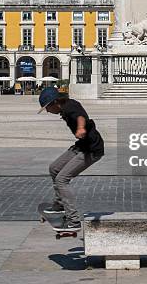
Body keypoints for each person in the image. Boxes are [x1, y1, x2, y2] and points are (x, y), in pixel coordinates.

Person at [39, 87, 104, 232]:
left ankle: (73, 221)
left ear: (55, 102)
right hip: (81, 146)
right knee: (54, 168)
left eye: (48, 108)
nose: (48, 111)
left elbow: (81, 117)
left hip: (92, 150)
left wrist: (81, 128)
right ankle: (59, 205)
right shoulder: (65, 108)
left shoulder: (70, 106)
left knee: (62, 179)